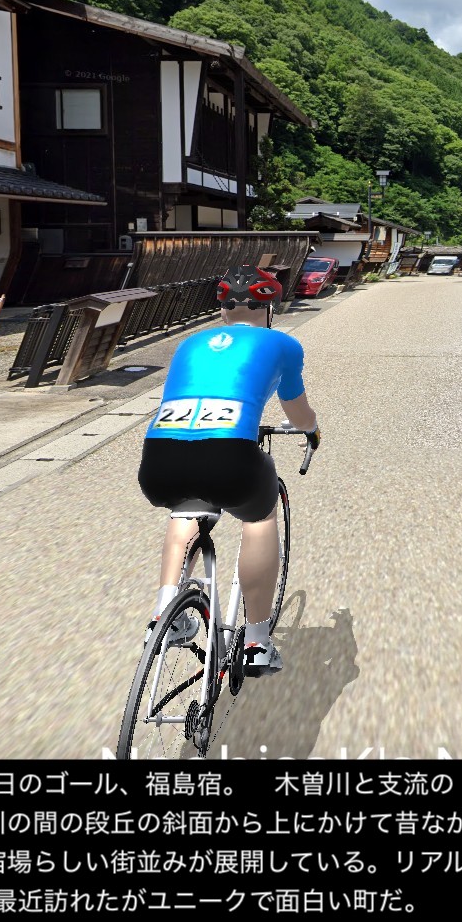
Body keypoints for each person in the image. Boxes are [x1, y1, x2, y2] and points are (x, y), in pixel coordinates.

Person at [137, 265, 320, 676]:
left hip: (159, 457)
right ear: (269, 309)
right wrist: (312, 431)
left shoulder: (189, 344)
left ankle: (164, 611)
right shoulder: (282, 344)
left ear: (223, 310)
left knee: (186, 509)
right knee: (259, 516)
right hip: (230, 454)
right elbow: (298, 411)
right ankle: (257, 642)